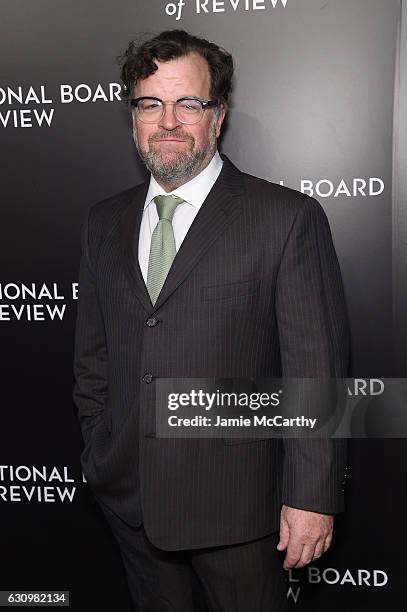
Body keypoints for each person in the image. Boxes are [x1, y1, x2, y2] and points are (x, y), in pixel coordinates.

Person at [73, 29, 349, 612]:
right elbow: (94, 357)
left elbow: (316, 372)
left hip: (241, 512)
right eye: (150, 103)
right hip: (132, 503)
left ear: (217, 116)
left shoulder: (285, 218)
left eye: (188, 103)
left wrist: (312, 498)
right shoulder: (104, 223)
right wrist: (101, 452)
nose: (167, 121)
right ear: (133, 118)